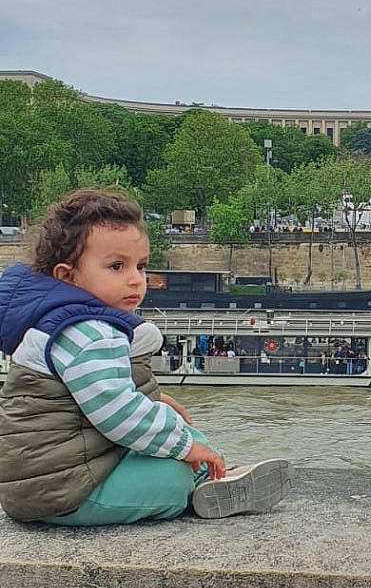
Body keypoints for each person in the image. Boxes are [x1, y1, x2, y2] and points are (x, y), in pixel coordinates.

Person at [0, 189, 289, 525]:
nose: (135, 279)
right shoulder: (88, 332)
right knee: (174, 476)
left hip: (60, 471)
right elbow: (119, 415)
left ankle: (206, 480)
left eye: (140, 266)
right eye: (116, 266)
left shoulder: (66, 322)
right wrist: (184, 446)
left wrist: (159, 402)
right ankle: (194, 489)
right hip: (60, 493)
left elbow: (88, 395)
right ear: (68, 276)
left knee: (186, 439)